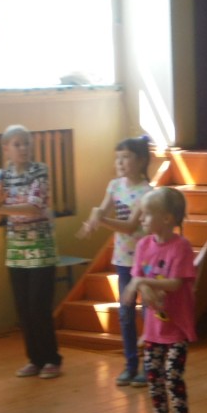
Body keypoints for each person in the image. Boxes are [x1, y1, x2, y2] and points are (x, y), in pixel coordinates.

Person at [122, 187, 197, 413]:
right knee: (154, 376)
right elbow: (137, 276)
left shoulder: (181, 246)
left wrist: (141, 283)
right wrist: (141, 285)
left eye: (146, 214)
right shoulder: (143, 245)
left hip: (176, 328)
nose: (141, 219)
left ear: (166, 218)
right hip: (154, 329)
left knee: (173, 376)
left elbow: (175, 283)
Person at [0, 124, 62, 379]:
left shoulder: (39, 170)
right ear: (6, 148)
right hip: (16, 251)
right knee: (23, 309)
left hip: (41, 249)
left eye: (26, 143)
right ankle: (35, 360)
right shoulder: (0, 176)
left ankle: (52, 359)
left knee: (39, 306)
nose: (23, 148)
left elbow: (34, 207)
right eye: (17, 144)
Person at [78, 136, 154, 387]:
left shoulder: (147, 192)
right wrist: (93, 220)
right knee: (125, 313)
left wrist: (101, 220)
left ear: (141, 161)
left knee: (148, 313)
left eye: (126, 157)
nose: (120, 162)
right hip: (122, 259)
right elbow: (102, 209)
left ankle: (149, 367)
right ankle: (130, 365)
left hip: (145, 261)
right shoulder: (114, 186)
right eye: (117, 158)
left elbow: (131, 226)